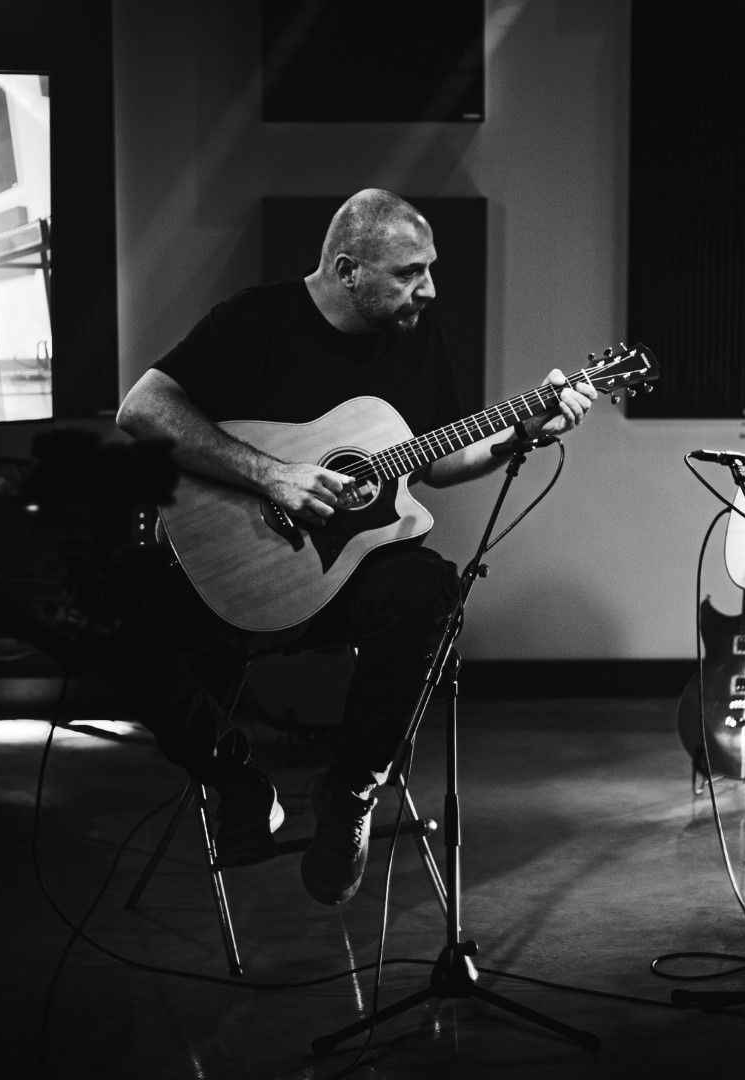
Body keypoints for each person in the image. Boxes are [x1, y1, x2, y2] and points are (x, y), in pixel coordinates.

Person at [114, 188, 596, 905]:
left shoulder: (415, 336)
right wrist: (272, 475)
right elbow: (142, 409)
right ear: (347, 270)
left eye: (430, 268)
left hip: (350, 573)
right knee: (129, 642)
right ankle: (235, 780)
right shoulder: (255, 320)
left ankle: (351, 791)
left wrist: (520, 434)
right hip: (241, 563)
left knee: (428, 588)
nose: (428, 289)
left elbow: (436, 462)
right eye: (409, 272)